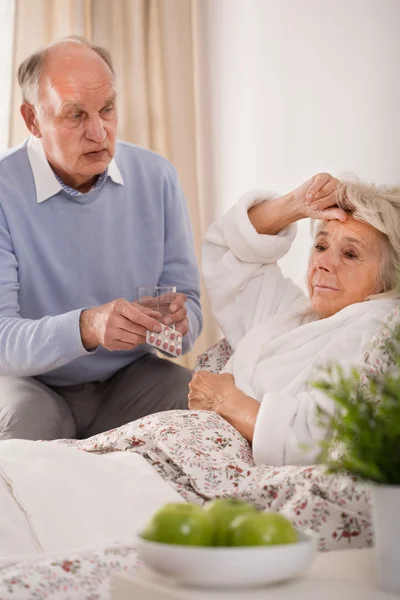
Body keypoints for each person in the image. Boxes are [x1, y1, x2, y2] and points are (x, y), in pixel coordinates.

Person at [0, 36, 202, 441]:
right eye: (75, 115)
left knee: (204, 402)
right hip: (30, 383)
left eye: (107, 109)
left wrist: (179, 325)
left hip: (130, 377)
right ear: (32, 119)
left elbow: (190, 311)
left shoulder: (157, 176)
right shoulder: (4, 189)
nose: (99, 132)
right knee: (24, 427)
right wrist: (87, 326)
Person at [188, 173, 400, 466]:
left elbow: (322, 444)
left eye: (350, 254)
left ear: (389, 277)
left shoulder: (375, 336)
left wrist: (226, 403)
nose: (322, 264)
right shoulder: (299, 313)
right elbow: (228, 251)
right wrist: (295, 204)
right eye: (321, 246)